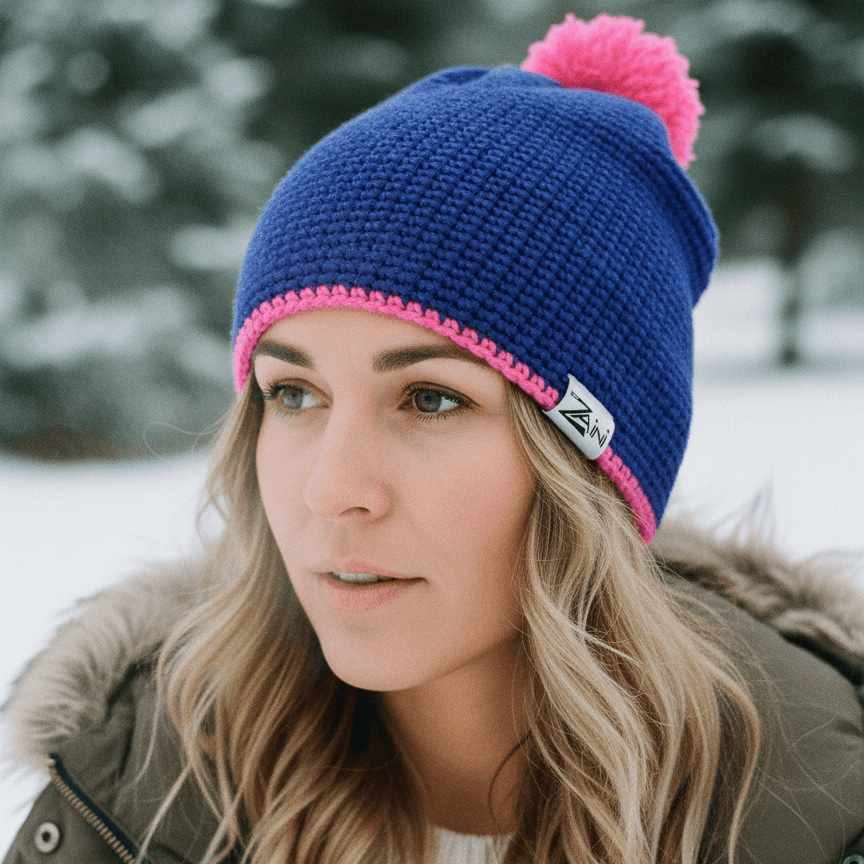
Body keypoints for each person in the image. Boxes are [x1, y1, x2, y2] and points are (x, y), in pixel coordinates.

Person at [3, 13, 864, 864]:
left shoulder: (817, 815)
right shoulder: (136, 788)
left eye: (430, 399)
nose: (331, 489)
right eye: (293, 394)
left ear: (588, 461)